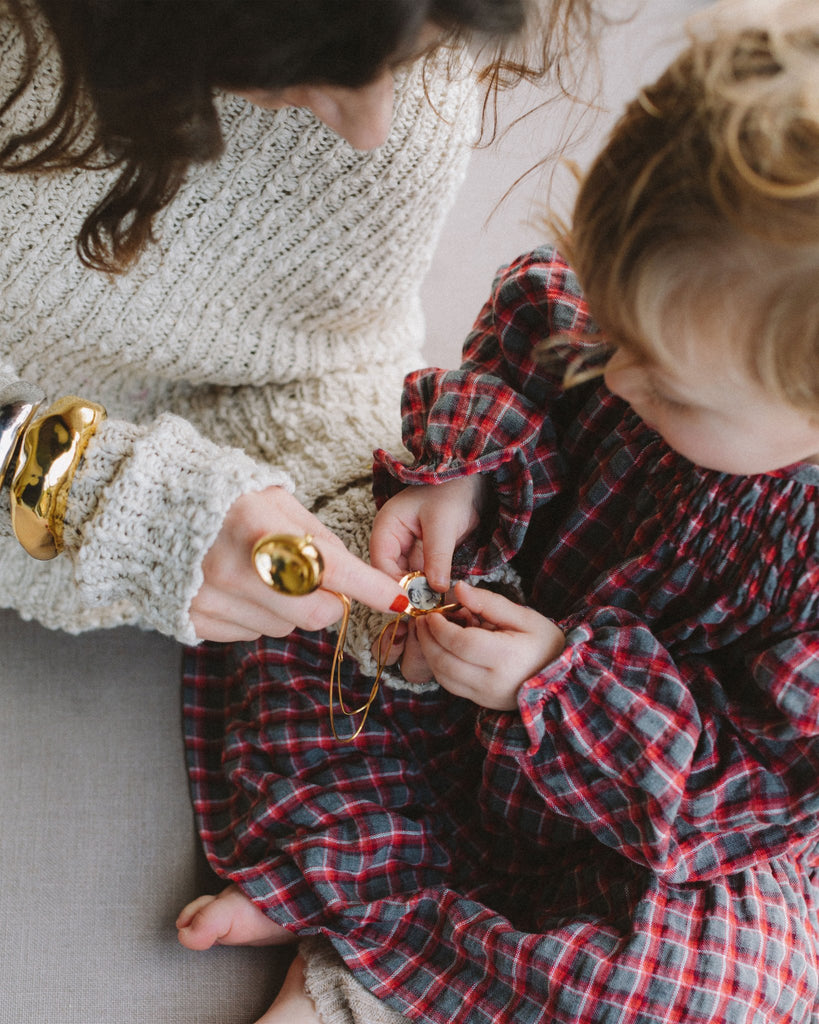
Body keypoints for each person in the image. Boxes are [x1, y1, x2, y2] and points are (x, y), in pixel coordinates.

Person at [176, 1, 819, 1021]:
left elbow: (750, 790)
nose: (621, 381)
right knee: (314, 587)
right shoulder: (628, 327)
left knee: (733, 988)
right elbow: (522, 344)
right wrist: (461, 476)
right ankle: (337, 878)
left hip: (635, 817)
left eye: (673, 392)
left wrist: (558, 682)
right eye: (614, 335)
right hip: (447, 684)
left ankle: (364, 981)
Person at [0, 0, 595, 649]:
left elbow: (328, 358)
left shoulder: (407, 69)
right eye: (311, 67)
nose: (372, 128)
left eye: (408, 58)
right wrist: (94, 494)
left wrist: (353, 537)